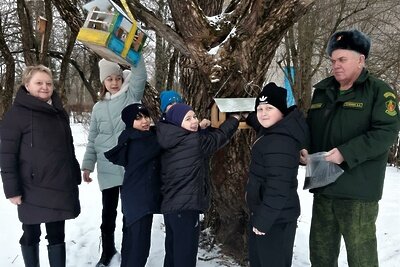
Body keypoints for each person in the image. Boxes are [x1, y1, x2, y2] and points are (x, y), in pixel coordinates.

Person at [301, 29, 400, 267]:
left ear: (361, 60)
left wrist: (346, 152)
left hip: (358, 192)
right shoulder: (323, 90)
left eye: (342, 59)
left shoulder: (379, 91)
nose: (336, 65)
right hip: (323, 187)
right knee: (321, 255)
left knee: (361, 258)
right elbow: (310, 127)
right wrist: (303, 147)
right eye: (333, 60)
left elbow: (385, 133)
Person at [0, 65, 81, 267]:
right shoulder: (16, 115)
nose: (45, 87)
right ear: (27, 85)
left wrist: (74, 174)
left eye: (48, 83)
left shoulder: (59, 112)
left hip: (58, 185)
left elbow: (68, 148)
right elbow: (7, 155)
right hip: (30, 188)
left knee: (56, 236)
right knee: (30, 235)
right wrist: (12, 190)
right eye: (39, 83)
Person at [81, 57, 147, 266]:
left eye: (118, 78)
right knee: (107, 214)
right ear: (103, 82)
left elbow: (140, 75)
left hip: (129, 166)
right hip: (107, 166)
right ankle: (107, 252)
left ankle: (129, 252)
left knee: (129, 214)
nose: (114, 82)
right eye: (109, 79)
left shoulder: (131, 97)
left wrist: (135, 53)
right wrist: (88, 165)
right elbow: (93, 137)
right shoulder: (98, 107)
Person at [156, 103, 240, 267]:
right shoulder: (194, 142)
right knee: (185, 256)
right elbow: (218, 138)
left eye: (194, 116)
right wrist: (235, 119)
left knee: (173, 251)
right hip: (186, 208)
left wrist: (200, 129)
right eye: (188, 119)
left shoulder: (168, 138)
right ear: (177, 123)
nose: (194, 121)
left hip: (171, 207)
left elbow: (191, 143)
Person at [245, 82, 309, 267]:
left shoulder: (280, 143)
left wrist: (263, 222)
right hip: (267, 216)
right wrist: (247, 116)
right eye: (260, 108)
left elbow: (278, 188)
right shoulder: (275, 130)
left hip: (275, 221)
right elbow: (261, 122)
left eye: (269, 108)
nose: (263, 113)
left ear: (281, 111)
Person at [104, 103, 161, 267]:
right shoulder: (141, 142)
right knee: (139, 248)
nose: (144, 121)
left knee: (131, 243)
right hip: (140, 201)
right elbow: (165, 142)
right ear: (130, 122)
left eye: (145, 116)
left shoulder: (130, 137)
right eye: (138, 118)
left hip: (133, 197)